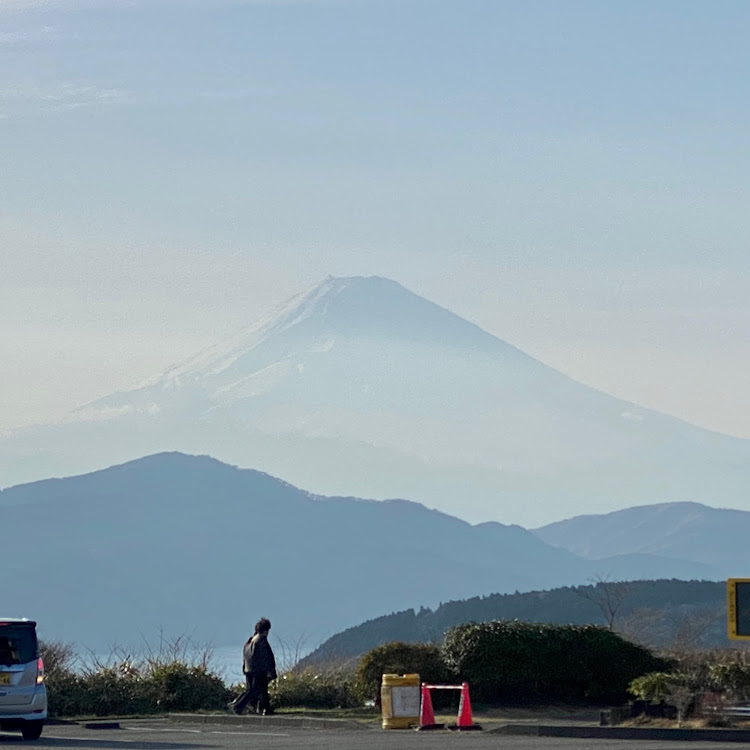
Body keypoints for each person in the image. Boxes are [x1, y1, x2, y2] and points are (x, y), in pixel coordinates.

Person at [231, 618, 277, 715]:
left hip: (249, 669)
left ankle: (264, 708)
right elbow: (267, 657)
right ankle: (238, 706)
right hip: (258, 670)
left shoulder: (250, 641)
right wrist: (270, 671)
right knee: (255, 691)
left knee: (256, 690)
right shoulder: (262, 641)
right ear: (266, 630)